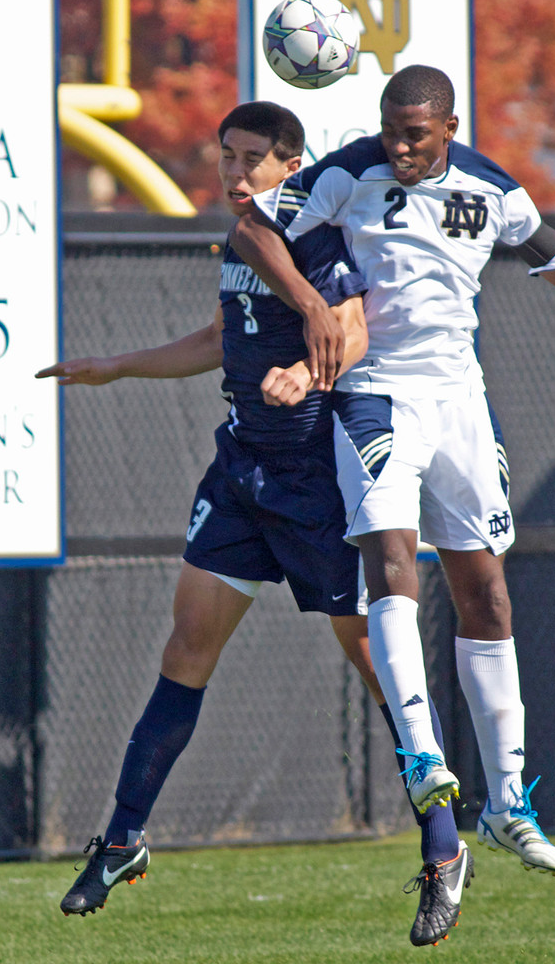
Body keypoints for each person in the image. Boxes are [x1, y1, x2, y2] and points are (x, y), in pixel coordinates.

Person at [231, 65, 555, 879]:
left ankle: (508, 803)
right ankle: (422, 760)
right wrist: (307, 303)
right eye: (390, 129)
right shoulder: (345, 171)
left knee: (487, 592)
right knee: (392, 565)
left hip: (459, 403)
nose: (399, 147)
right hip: (376, 396)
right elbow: (254, 231)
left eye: (415, 134)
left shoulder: (494, 191)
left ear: (447, 127)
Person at [37, 100, 473, 948]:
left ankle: (443, 847)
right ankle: (123, 839)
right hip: (242, 473)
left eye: (252, 161)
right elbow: (216, 336)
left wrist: (305, 379)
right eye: (226, 157)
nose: (234, 174)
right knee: (186, 647)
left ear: (290, 165)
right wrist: (116, 368)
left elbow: (345, 333)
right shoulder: (242, 239)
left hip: (319, 483)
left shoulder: (314, 233)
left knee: (380, 669)